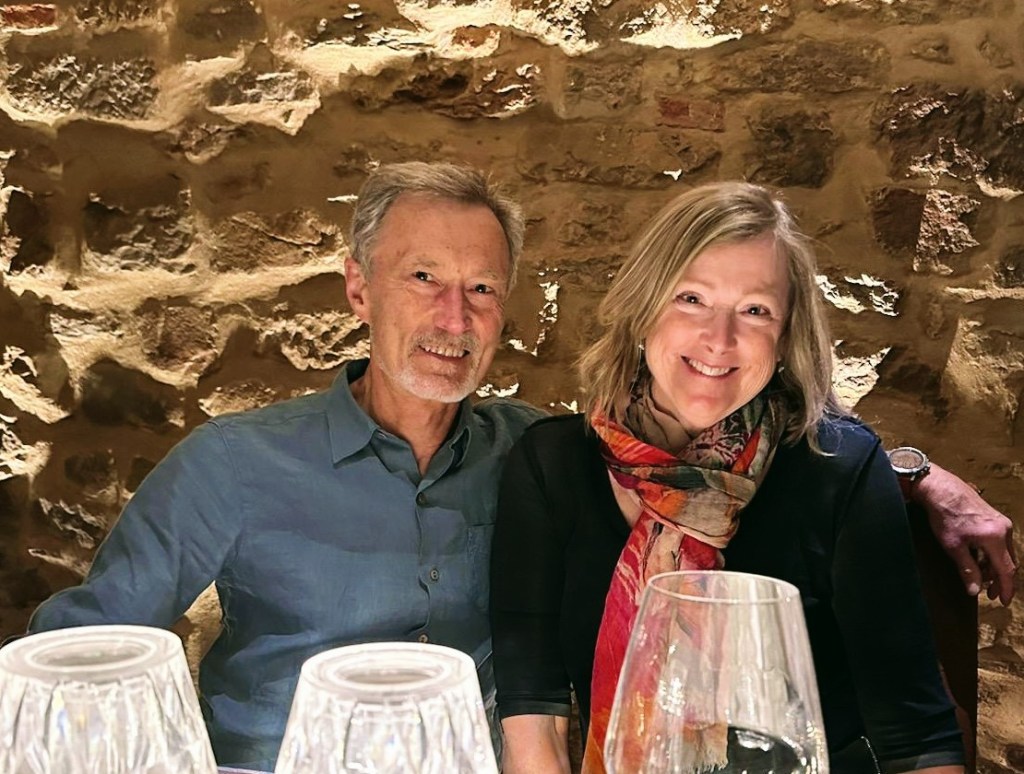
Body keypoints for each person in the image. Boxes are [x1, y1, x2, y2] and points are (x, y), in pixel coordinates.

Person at [19, 164, 1011, 771]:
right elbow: (78, 661)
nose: (453, 319)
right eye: (423, 279)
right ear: (358, 289)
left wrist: (916, 472)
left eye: (482, 289)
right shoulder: (234, 465)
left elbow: (748, 440)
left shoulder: (540, 455)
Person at [490, 182, 970, 774]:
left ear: (786, 337)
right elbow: (533, 718)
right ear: (643, 310)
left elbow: (917, 737)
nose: (720, 340)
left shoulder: (838, 468)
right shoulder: (552, 465)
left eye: (755, 310)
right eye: (692, 299)